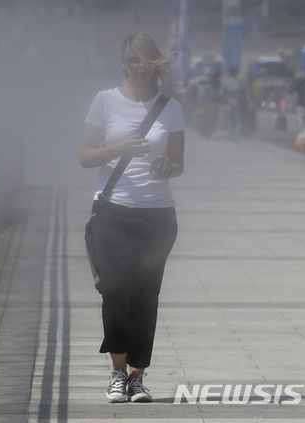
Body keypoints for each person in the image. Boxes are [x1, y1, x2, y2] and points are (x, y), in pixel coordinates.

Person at [80, 32, 185, 403]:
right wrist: (119, 148)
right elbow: (85, 156)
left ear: (155, 64)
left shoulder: (170, 107)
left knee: (145, 295)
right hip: (112, 210)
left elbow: (178, 165)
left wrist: (165, 168)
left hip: (157, 216)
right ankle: (117, 372)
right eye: (133, 61)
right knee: (115, 290)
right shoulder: (104, 101)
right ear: (123, 64)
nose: (139, 67)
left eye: (146, 61)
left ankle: (138, 377)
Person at [221, 67, 247, 140]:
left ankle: (231, 133)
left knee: (230, 118)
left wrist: (224, 102)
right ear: (237, 73)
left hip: (229, 102)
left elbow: (223, 93)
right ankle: (236, 133)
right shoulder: (240, 82)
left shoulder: (226, 82)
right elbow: (244, 93)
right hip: (238, 102)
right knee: (238, 119)